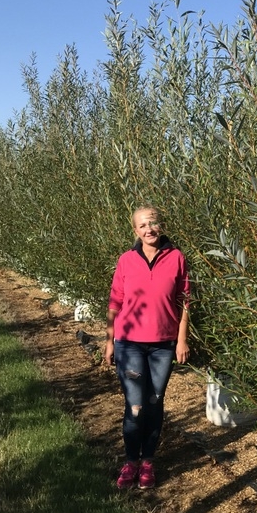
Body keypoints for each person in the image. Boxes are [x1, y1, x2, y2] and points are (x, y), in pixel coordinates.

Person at [105, 206, 190, 489]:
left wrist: (181, 340)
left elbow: (185, 301)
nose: (149, 229)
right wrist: (109, 340)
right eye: (143, 225)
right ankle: (131, 461)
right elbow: (115, 301)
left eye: (153, 223)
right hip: (128, 343)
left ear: (161, 225)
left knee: (154, 403)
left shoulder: (177, 257)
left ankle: (148, 463)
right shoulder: (127, 260)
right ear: (135, 231)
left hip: (163, 346)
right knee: (136, 406)